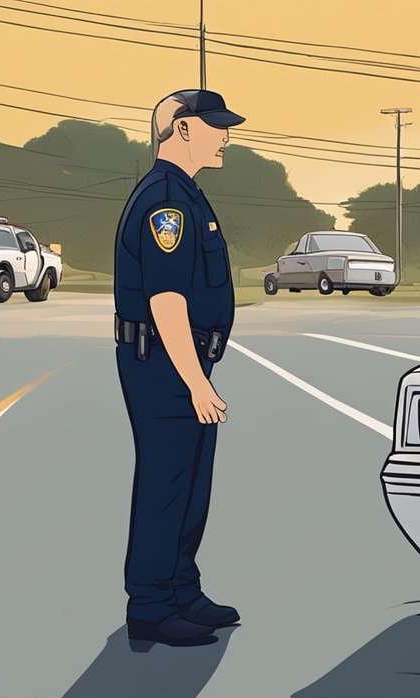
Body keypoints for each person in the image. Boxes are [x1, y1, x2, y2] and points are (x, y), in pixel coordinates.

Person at [113, 90, 244, 647]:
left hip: (183, 359)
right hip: (165, 361)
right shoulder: (166, 201)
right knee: (166, 483)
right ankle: (150, 603)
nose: (226, 136)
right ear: (181, 129)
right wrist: (195, 382)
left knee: (191, 481)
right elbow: (167, 300)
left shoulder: (187, 195)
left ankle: (182, 589)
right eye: (214, 125)